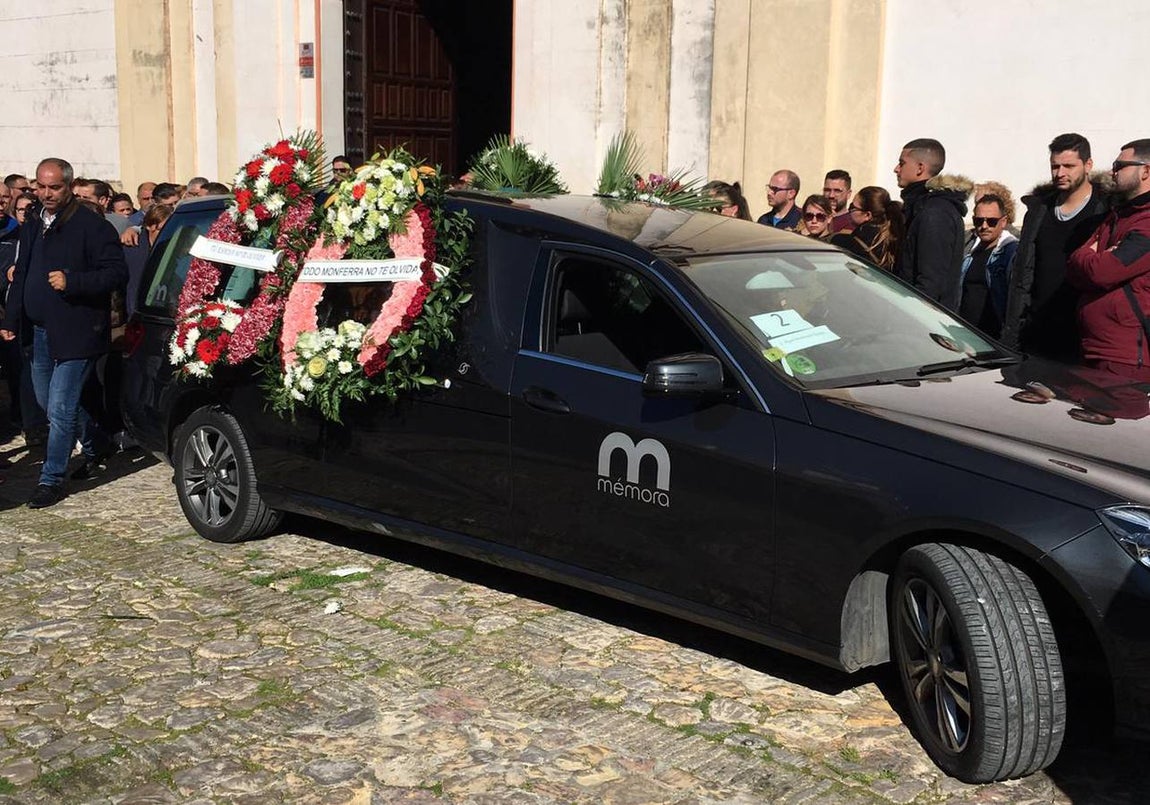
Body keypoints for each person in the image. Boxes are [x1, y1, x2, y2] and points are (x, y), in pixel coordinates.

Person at [0, 158, 128, 508]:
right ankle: (97, 443)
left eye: (54, 187)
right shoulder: (33, 222)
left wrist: (74, 281)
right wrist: (11, 320)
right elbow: (22, 273)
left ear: (69, 187)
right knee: (50, 403)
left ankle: (51, 478)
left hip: (78, 330)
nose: (46, 193)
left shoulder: (92, 226)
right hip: (38, 330)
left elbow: (116, 273)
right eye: (40, 186)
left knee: (60, 407)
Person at [1001, 133, 1111, 362]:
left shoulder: (1106, 210)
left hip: (1083, 334)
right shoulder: (1039, 210)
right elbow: (1023, 275)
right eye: (1055, 166)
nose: (1060, 173)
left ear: (1088, 165)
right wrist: (1015, 329)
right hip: (1037, 331)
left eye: (1069, 166)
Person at [1066, 139, 1150, 381]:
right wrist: (1088, 257)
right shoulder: (1117, 216)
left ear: (1145, 171)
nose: (1112, 172)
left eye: (1119, 166)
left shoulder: (1146, 222)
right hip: (1094, 348)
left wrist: (1092, 257)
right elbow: (1074, 268)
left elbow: (1102, 273)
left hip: (1126, 358)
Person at [893, 138, 970, 310]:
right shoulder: (920, 206)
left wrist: (911, 314)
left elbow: (931, 283)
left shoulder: (935, 212)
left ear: (920, 168)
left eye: (902, 163)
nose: (896, 169)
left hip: (921, 316)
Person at [958, 193, 1018, 338]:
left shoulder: (1011, 253)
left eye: (991, 221)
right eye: (978, 221)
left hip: (993, 337)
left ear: (1003, 222)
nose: (984, 226)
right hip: (964, 332)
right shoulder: (969, 251)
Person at [830, 185, 904, 270]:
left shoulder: (845, 243)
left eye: (852, 207)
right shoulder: (896, 240)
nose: (849, 210)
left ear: (867, 215)